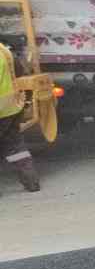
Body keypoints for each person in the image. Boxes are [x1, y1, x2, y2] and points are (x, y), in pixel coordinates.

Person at [0, 43, 40, 192]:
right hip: (11, 107)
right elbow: (20, 76)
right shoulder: (4, 50)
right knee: (15, 146)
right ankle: (31, 182)